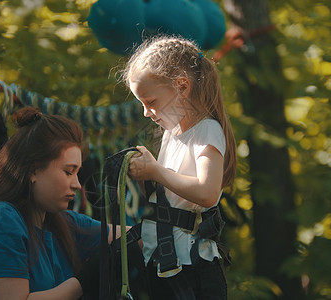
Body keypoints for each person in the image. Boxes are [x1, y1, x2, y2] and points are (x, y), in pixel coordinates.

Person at [0, 107, 112, 300]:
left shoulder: (62, 223)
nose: (78, 184)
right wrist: (83, 280)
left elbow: (139, 235)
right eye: (68, 172)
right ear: (33, 170)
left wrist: (149, 177)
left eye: (77, 173)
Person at [121, 34, 237, 299]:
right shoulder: (172, 134)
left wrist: (156, 171)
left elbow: (207, 192)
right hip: (167, 263)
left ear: (182, 87)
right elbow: (172, 195)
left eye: (150, 102)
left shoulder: (206, 130)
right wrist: (145, 175)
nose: (146, 112)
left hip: (194, 270)